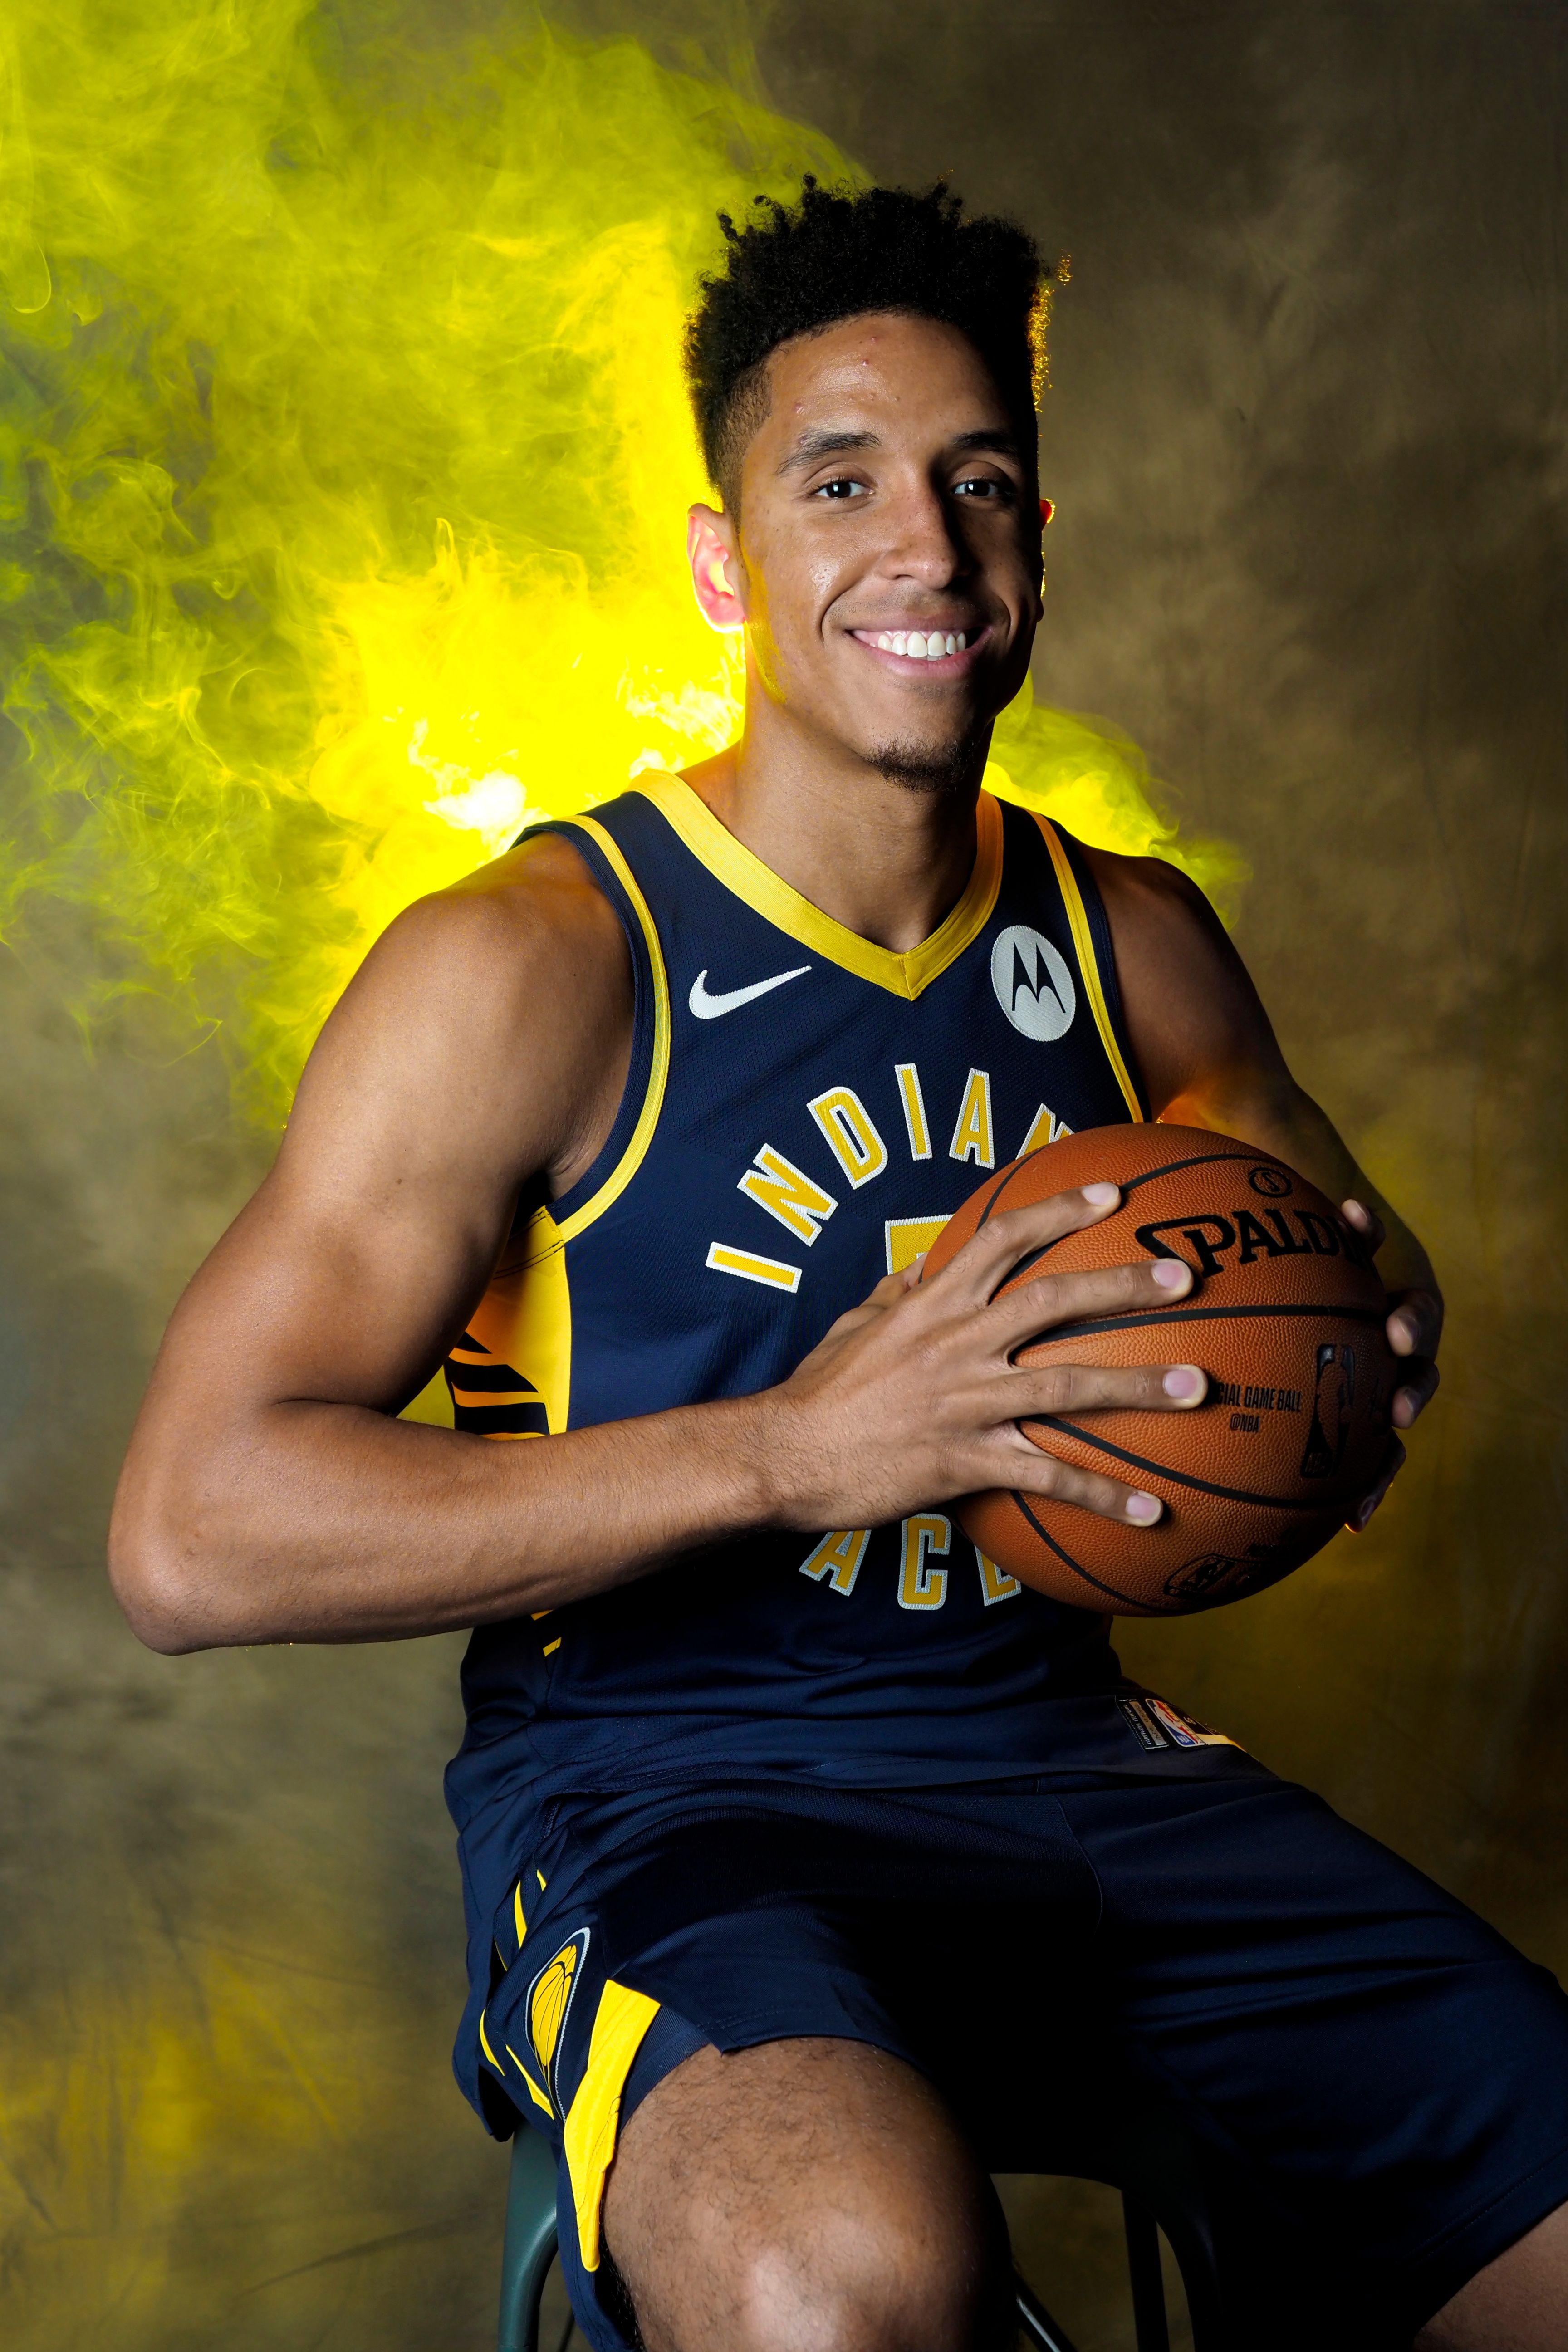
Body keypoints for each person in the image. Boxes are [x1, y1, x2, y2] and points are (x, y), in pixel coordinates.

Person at [109, 180, 1568, 2352]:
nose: (929, 548)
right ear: (730, 561)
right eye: (843, 482)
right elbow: (191, 1531)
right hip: (669, 1797)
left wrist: (1349, 1358)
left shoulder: (1130, 941)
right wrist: (802, 1451)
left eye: (981, 485)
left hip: (1078, 1771)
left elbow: (1341, 1282)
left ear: (1042, 543)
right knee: (842, 2279)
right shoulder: (535, 966)